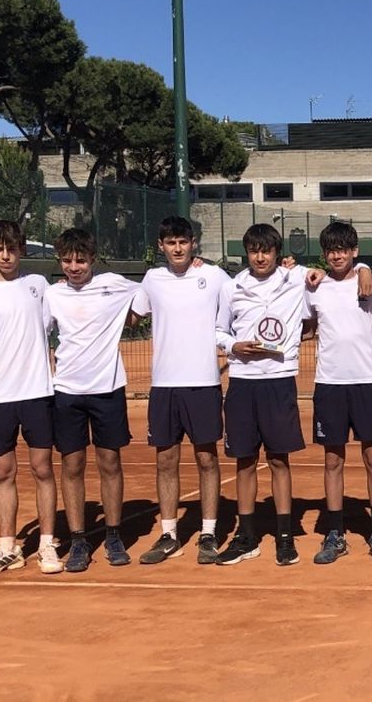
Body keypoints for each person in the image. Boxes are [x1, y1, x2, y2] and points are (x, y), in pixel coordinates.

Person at [0, 220, 62, 576]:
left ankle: (47, 544)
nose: (6, 256)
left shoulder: (39, 286)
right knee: (3, 471)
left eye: (12, 248)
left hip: (38, 393)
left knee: (42, 469)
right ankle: (8, 547)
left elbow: (56, 323)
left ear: (22, 249)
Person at [134, 217, 231, 566]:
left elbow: (250, 292)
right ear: (161, 246)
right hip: (164, 386)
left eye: (183, 242)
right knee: (165, 460)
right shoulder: (151, 279)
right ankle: (169, 534)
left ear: (193, 244)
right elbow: (129, 312)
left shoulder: (216, 276)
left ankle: (208, 532)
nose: (177, 248)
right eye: (170, 242)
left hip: (204, 382)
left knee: (207, 458)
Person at [214, 224, 309, 566]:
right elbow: (218, 330)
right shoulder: (232, 287)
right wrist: (232, 345)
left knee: (280, 459)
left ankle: (285, 537)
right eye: (254, 251)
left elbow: (334, 271)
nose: (260, 257)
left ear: (277, 252)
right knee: (245, 460)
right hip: (242, 380)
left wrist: (362, 271)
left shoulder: (294, 279)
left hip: (280, 380)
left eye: (266, 250)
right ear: (247, 252)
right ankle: (247, 535)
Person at [304, 221, 372, 565]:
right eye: (331, 250)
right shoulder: (314, 288)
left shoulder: (371, 284)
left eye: (344, 249)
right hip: (329, 384)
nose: (337, 255)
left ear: (355, 251)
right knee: (333, 461)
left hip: (366, 383)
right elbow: (305, 327)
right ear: (325, 254)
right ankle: (335, 532)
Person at [45, 228, 140, 572]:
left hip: (107, 389)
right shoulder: (50, 294)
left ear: (93, 259)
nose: (74, 266)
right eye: (67, 260)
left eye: (80, 259)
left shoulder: (116, 284)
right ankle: (78, 541)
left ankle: (114, 536)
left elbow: (152, 295)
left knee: (110, 463)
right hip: (66, 391)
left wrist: (199, 266)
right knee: (71, 467)